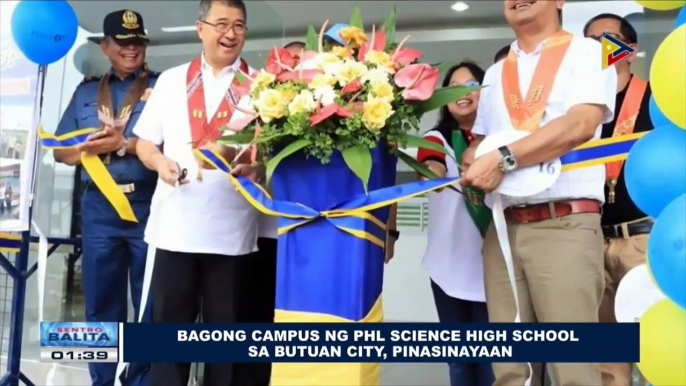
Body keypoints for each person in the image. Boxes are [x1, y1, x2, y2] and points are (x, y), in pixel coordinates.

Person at [461, 1, 617, 385]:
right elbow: (479, 142)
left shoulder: (590, 52)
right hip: (503, 229)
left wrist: (503, 159)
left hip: (563, 223)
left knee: (573, 369)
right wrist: (472, 161)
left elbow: (581, 123)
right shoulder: (496, 73)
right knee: (511, 369)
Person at [133, 1, 269, 385]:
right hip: (176, 224)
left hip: (231, 229)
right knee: (170, 334)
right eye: (222, 24)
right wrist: (161, 164)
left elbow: (272, 155)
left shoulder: (262, 86)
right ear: (200, 28)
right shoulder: (173, 80)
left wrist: (258, 169)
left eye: (239, 26)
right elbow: (144, 143)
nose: (230, 34)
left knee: (222, 339)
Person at [53, 9, 157, 386]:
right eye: (124, 43)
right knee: (100, 305)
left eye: (138, 43)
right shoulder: (85, 91)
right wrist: (87, 148)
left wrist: (125, 145)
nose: (132, 50)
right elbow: (59, 151)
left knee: (148, 305)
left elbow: (170, 146)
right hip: (99, 208)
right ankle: (103, 380)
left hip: (148, 205)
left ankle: (141, 381)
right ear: (106, 47)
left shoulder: (161, 90)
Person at [584, 13, 653, 386]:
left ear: (631, 49)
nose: (598, 47)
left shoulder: (657, 101)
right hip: (591, 238)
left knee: (656, 347)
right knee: (607, 361)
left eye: (608, 39)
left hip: (644, 239)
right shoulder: (579, 110)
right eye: (590, 40)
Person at [415, 62, 494, 386]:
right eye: (455, 87)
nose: (463, 93)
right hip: (448, 265)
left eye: (471, 84)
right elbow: (429, 167)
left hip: (493, 265)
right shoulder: (435, 138)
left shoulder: (499, 138)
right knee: (459, 360)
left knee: (493, 359)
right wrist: (432, 173)